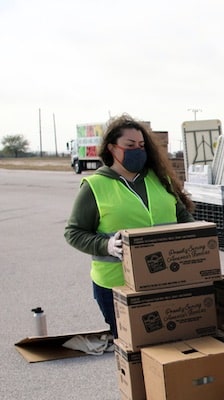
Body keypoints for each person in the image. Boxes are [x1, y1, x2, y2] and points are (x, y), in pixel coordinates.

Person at [64, 114, 195, 338]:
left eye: (142, 145)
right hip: (117, 285)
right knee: (132, 349)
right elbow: (73, 233)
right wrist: (105, 245)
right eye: (130, 145)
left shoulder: (158, 180)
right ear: (112, 148)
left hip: (166, 280)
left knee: (167, 346)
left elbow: (184, 219)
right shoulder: (95, 186)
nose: (138, 150)